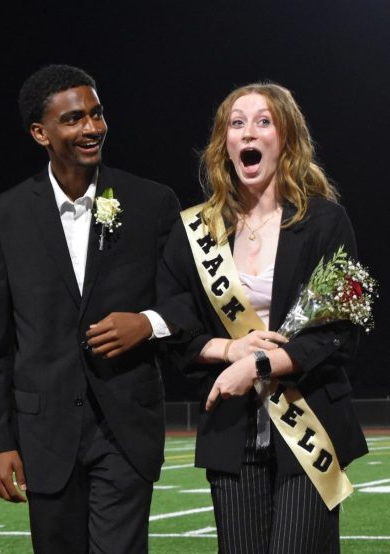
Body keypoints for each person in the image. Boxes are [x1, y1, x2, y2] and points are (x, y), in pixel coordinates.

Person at [0, 64, 180, 554]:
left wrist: (147, 323)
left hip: (125, 429)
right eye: (73, 119)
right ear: (41, 133)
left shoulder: (153, 202)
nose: (91, 128)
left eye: (96, 114)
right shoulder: (2, 216)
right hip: (43, 434)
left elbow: (188, 303)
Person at [157, 82, 368, 553]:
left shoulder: (325, 221)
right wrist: (230, 349)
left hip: (309, 422)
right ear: (225, 144)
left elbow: (339, 332)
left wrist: (258, 365)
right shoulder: (193, 231)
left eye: (263, 121)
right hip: (229, 431)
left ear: (286, 139)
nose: (248, 132)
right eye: (237, 123)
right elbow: (173, 326)